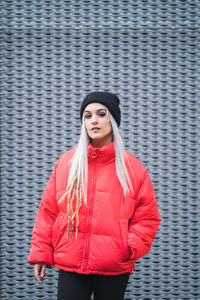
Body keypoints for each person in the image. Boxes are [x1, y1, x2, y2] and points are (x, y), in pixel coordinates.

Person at [27, 91, 161, 300]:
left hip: (114, 267)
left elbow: (147, 217)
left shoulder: (133, 169)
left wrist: (128, 247)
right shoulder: (67, 163)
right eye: (87, 116)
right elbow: (48, 212)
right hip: (71, 265)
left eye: (101, 114)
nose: (94, 121)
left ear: (113, 121)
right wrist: (41, 253)